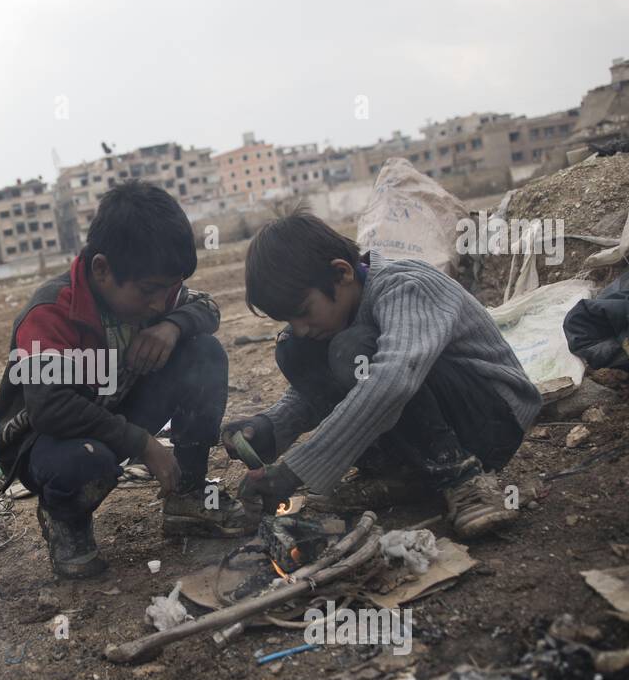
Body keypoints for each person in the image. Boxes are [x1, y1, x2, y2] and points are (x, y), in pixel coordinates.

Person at [223, 211, 541, 537]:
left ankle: (463, 479)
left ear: (341, 273)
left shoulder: (405, 286)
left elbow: (393, 379)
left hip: (491, 420)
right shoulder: (337, 313)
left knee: (355, 351)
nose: (301, 327)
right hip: (435, 415)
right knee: (293, 348)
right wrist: (271, 428)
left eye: (303, 312)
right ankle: (407, 474)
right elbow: (318, 391)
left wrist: (293, 472)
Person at [0, 181, 246, 579]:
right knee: (84, 460)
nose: (160, 303)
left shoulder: (155, 294)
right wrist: (142, 443)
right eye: (150, 291)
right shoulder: (51, 313)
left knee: (203, 353)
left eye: (170, 289)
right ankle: (67, 522)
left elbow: (208, 308)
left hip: (112, 410)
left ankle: (188, 493)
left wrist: (173, 327)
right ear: (102, 270)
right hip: (49, 440)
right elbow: (51, 408)